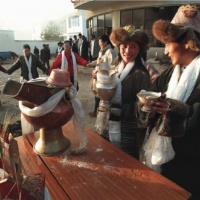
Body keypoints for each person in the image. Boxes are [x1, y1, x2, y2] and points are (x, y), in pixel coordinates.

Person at [139, 5, 200, 199]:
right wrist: (149, 106)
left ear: (188, 42)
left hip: (191, 165)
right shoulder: (170, 73)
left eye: (168, 44)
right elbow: (154, 96)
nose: (165, 52)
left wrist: (175, 110)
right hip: (168, 159)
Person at [87, 34, 117, 117]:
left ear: (105, 42)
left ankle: (101, 113)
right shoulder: (102, 51)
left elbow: (113, 67)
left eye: (100, 42)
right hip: (99, 77)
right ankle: (97, 111)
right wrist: (90, 64)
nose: (99, 43)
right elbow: (98, 62)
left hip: (105, 80)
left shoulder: (110, 52)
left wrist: (104, 75)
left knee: (103, 96)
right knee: (98, 94)